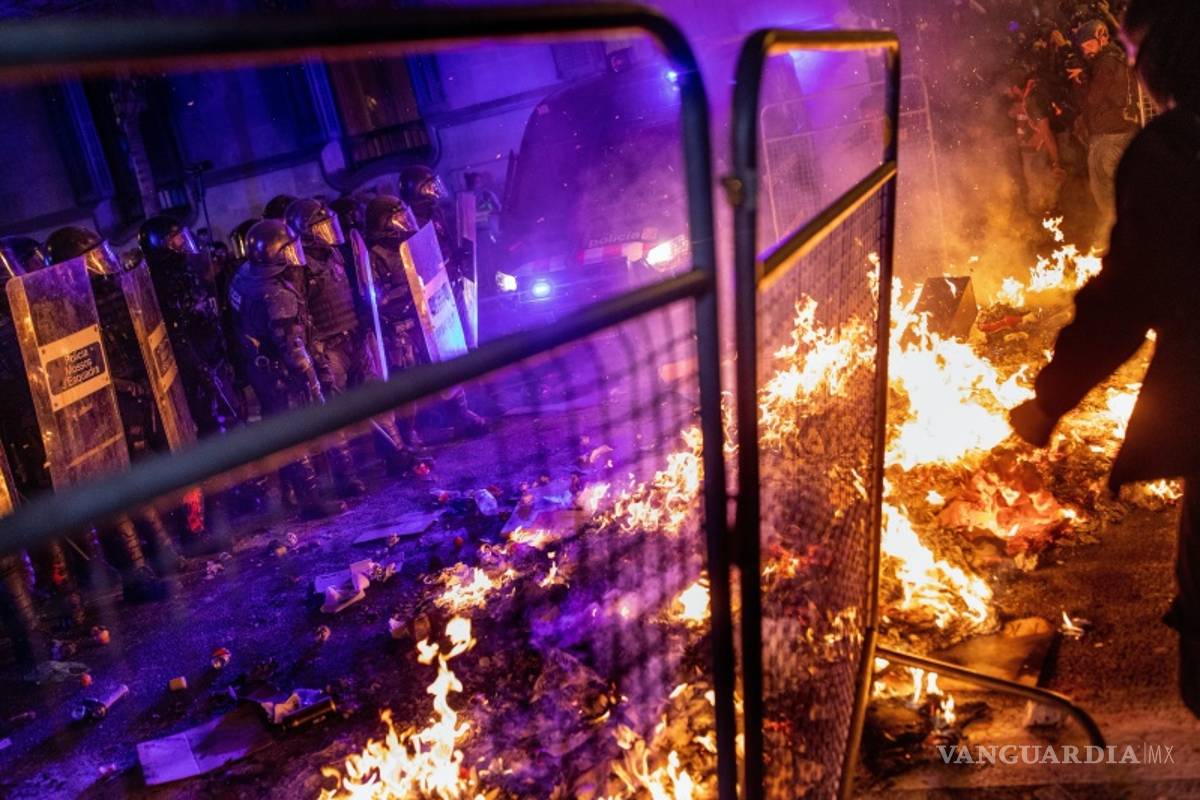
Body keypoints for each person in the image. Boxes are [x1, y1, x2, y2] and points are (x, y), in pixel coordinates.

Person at [1009, 0, 1200, 717]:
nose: (1130, 66)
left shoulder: (1178, 152)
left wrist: (1049, 400)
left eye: (1133, 49)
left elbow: (1125, 302)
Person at [227, 220, 349, 518]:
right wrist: (312, 379)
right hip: (281, 374)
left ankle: (292, 495)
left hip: (260, 370)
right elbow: (293, 347)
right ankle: (311, 501)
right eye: (287, 250)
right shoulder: (277, 294)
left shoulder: (244, 277)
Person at [365, 195, 486, 439]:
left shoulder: (411, 245)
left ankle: (460, 416)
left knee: (445, 366)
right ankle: (409, 433)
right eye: (396, 218)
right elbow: (375, 297)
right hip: (400, 325)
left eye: (403, 216)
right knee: (407, 381)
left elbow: (432, 272)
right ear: (383, 223)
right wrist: (401, 295)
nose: (403, 222)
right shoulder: (374, 255)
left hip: (426, 316)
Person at [139, 216, 243, 437]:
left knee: (234, 411)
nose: (182, 243)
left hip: (212, 353)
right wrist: (197, 366)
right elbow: (176, 332)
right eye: (175, 239)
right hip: (193, 363)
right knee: (212, 423)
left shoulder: (187, 269)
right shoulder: (159, 282)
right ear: (159, 243)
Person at [1074, 18, 1141, 237]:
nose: (1086, 50)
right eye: (1083, 47)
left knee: (1109, 197)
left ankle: (1128, 241)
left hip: (1111, 137)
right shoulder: (1114, 60)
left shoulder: (1106, 63)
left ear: (1102, 38)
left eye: (1089, 44)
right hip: (1118, 135)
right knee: (1117, 196)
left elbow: (1093, 99)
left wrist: (1082, 81)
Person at [1006, 66, 1068, 215]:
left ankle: (1048, 215)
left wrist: (1055, 162)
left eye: (1011, 89)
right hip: (1027, 151)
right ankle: (1042, 216)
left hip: (1037, 151)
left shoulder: (1035, 100)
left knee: (1042, 187)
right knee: (1035, 187)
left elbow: (1046, 132)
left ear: (1016, 88)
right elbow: (1012, 114)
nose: (1009, 93)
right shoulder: (1025, 101)